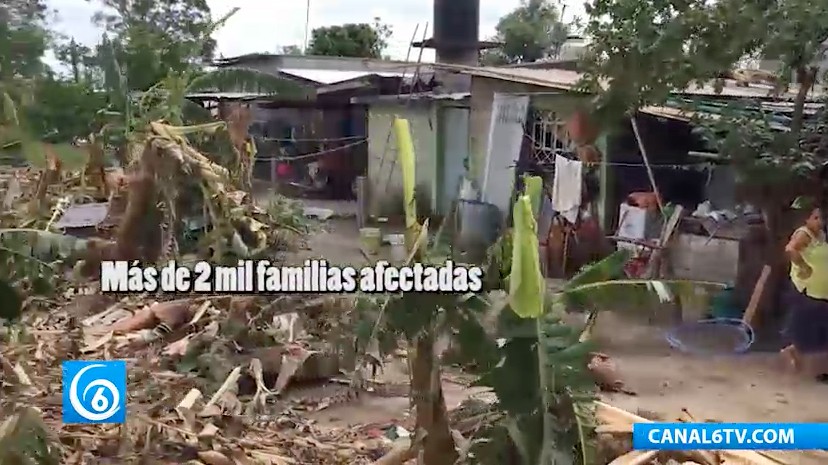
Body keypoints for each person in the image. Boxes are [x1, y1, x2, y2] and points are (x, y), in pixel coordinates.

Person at [781, 201, 828, 381]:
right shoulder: (804, 234)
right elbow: (790, 249)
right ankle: (793, 351)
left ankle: (795, 351)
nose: (820, 221)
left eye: (821, 218)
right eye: (815, 218)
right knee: (808, 325)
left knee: (816, 328)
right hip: (806, 290)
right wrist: (803, 267)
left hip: (821, 291)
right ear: (806, 219)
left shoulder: (821, 235)